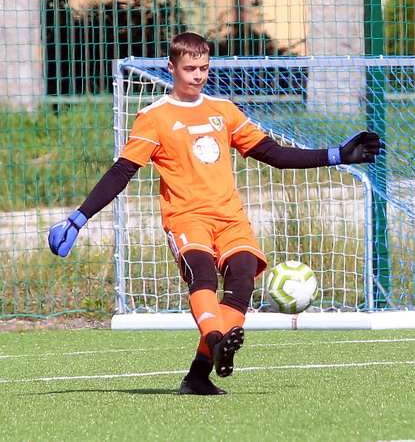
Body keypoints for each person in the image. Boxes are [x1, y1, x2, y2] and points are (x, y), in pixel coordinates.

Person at [48, 32, 381, 395]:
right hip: (187, 219)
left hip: (230, 218)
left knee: (243, 276)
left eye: (204, 68)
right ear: (171, 68)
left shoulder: (223, 110)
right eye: (189, 68)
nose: (198, 75)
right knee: (203, 275)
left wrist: (336, 155)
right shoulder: (154, 117)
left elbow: (273, 154)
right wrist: (78, 218)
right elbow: (121, 172)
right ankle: (217, 339)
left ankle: (198, 376)